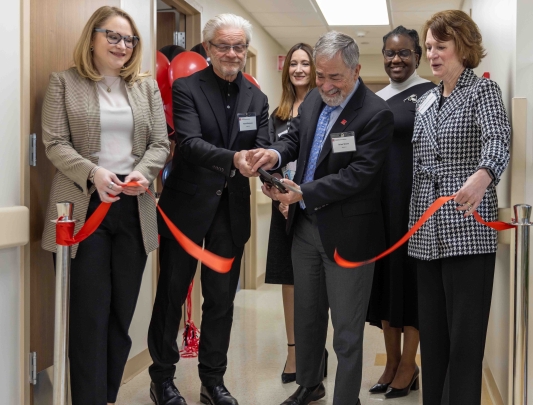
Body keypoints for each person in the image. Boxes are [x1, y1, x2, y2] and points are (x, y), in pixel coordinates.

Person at [247, 31, 394, 405]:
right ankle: (310, 385)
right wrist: (273, 157)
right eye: (320, 76)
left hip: (349, 236)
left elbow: (359, 175)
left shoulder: (376, 113)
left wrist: (303, 192)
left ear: (357, 69)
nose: (326, 85)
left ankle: (347, 398)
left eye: (335, 77)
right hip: (305, 230)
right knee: (308, 318)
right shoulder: (313, 99)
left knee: (346, 328)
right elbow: (294, 138)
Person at [40, 6, 169, 405]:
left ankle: (107, 396)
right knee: (89, 316)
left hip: (133, 209)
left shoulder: (145, 88)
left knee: (120, 314)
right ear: (92, 38)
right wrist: (94, 173)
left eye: (129, 39)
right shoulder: (63, 82)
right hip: (84, 209)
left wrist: (143, 174)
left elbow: (160, 145)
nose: (122, 45)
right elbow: (54, 143)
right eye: (112, 36)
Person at [147, 14, 270, 405]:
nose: (232, 53)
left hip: (230, 214)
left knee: (221, 301)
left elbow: (266, 145)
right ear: (208, 48)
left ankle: (212, 381)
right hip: (186, 210)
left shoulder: (257, 97)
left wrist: (269, 163)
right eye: (223, 46)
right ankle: (162, 378)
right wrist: (236, 159)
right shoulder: (186, 88)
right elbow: (190, 143)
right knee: (170, 294)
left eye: (238, 47)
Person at [409, 10, 510, 405]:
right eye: (429, 47)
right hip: (425, 233)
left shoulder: (482, 91)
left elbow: (498, 140)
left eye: (441, 46)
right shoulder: (425, 100)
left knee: (464, 346)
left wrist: (484, 174)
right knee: (432, 343)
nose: (432, 54)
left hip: (468, 228)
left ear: (463, 47)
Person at [365, 26, 435, 398]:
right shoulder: (376, 99)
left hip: (416, 208)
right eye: (390, 53)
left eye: (404, 53)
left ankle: (410, 365)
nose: (396, 59)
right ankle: (390, 362)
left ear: (417, 56)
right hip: (380, 210)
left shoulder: (430, 95)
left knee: (410, 286)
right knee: (386, 285)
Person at [264, 43, 317, 384]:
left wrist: (302, 195)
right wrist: (278, 194)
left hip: (314, 206)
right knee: (290, 280)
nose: (299, 69)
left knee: (315, 283)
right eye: (293, 64)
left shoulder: (323, 108)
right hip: (282, 207)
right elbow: (268, 160)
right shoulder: (278, 115)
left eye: (305, 63)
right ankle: (295, 352)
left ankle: (316, 352)